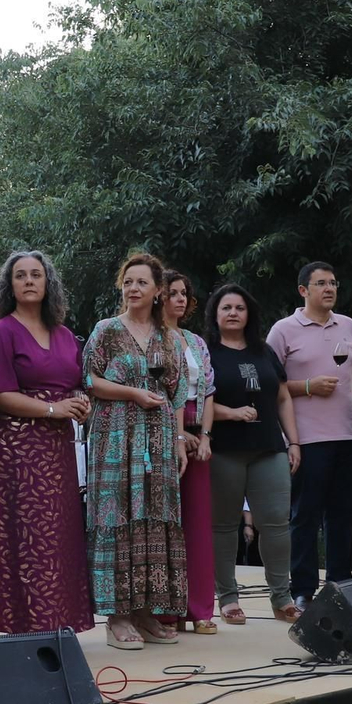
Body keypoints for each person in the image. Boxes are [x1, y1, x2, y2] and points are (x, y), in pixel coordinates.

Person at [0, 251, 93, 635]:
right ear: (9, 285)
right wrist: (54, 409)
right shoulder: (1, 332)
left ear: (47, 283)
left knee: (59, 533)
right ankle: (22, 623)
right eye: (20, 275)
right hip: (15, 446)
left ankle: (57, 621)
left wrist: (79, 403)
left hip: (57, 447)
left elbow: (73, 383)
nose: (28, 281)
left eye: (36, 275)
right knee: (25, 535)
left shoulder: (63, 334)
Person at [83, 252, 189, 650]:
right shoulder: (107, 330)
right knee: (118, 514)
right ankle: (118, 616)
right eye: (128, 282)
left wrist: (179, 440)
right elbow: (89, 379)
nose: (133, 288)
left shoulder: (168, 337)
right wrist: (131, 393)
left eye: (141, 282)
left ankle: (145, 610)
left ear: (157, 290)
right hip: (114, 437)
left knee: (153, 516)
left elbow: (176, 393)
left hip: (158, 439)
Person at [266, 262, 352, 612]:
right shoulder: (283, 331)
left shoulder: (349, 326)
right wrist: (307, 386)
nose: (329, 288)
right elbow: (268, 384)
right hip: (307, 438)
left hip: (349, 435)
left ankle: (340, 587)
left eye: (333, 283)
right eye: (320, 283)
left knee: (342, 516)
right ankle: (303, 590)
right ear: (303, 290)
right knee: (305, 516)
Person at [204, 283, 302, 626]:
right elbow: (196, 403)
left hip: (269, 448)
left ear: (250, 314)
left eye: (239, 308)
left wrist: (294, 442)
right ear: (215, 315)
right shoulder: (206, 351)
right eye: (226, 307)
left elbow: (284, 398)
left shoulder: (265, 351)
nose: (233, 313)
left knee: (276, 522)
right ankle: (228, 598)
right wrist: (230, 413)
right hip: (223, 450)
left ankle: (282, 598)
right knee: (224, 526)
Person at [162, 269, 217, 634]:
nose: (180, 299)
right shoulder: (148, 338)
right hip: (162, 436)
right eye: (172, 293)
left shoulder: (196, 341)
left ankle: (198, 609)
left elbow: (209, 392)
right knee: (166, 526)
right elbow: (165, 393)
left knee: (197, 524)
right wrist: (178, 434)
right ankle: (166, 611)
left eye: (184, 293)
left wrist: (206, 436)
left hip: (200, 437)